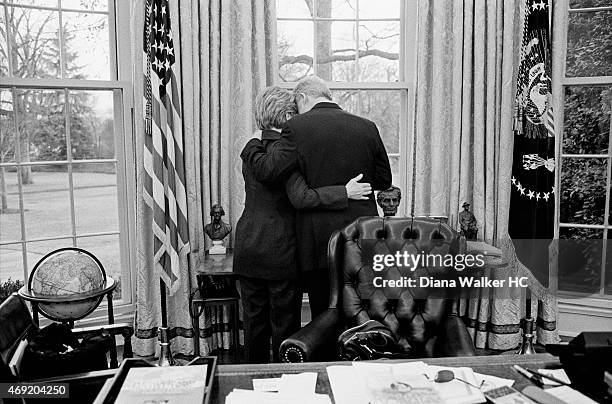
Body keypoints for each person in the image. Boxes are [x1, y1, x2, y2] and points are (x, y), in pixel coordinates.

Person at [234, 85, 372, 363]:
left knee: (253, 326)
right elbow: (302, 197)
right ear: (287, 116)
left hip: (248, 248)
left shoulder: (254, 149)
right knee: (284, 328)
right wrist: (344, 191)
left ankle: (250, 385)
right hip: (280, 253)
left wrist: (249, 143)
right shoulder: (288, 152)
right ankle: (284, 384)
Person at [241, 76, 392, 319]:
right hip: (362, 238)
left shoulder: (297, 128)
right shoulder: (368, 126)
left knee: (324, 315)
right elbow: (384, 180)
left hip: (318, 242)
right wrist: (349, 189)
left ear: (302, 97)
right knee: (362, 314)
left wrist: (251, 143)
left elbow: (268, 170)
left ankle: (323, 357)